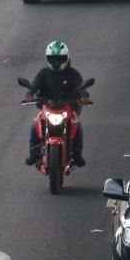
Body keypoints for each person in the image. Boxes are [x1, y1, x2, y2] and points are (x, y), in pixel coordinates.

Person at [24, 40, 87, 168]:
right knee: (35, 126)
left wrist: (84, 96)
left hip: (68, 107)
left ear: (66, 58)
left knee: (77, 125)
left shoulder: (73, 74)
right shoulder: (43, 74)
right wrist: (29, 95)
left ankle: (77, 154)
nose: (56, 62)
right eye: (53, 59)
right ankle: (34, 154)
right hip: (48, 107)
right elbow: (34, 86)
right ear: (48, 59)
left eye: (60, 59)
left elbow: (81, 88)